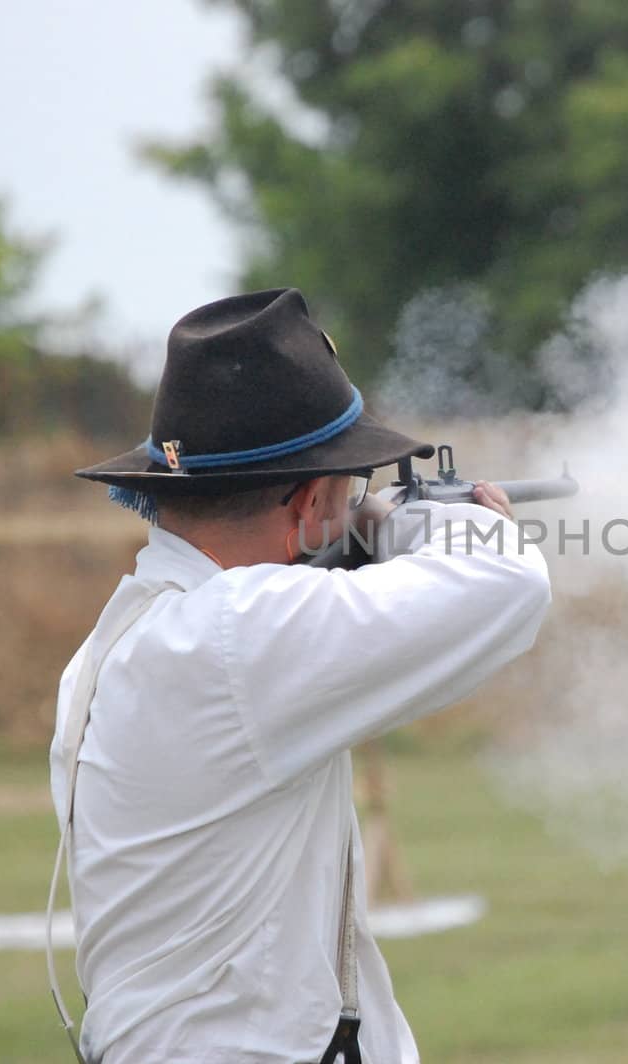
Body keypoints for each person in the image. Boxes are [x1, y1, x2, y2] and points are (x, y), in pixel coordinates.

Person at [48, 288, 551, 1063]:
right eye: (344, 490)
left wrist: (359, 517)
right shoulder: (234, 633)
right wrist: (410, 517)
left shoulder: (134, 637)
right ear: (315, 499)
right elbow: (506, 582)